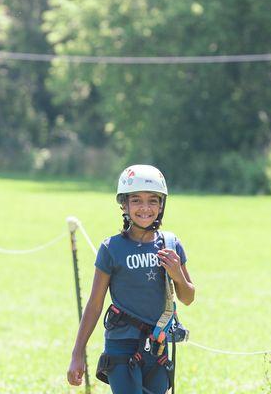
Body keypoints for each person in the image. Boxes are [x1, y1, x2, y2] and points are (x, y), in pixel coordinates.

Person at [67, 164, 195, 394]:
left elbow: (188, 297)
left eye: (153, 200)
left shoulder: (171, 244)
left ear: (161, 205)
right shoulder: (111, 248)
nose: (145, 208)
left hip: (158, 347)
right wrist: (77, 353)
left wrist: (177, 275)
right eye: (136, 200)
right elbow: (95, 304)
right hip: (121, 347)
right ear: (124, 204)